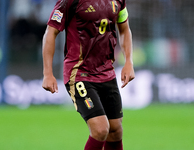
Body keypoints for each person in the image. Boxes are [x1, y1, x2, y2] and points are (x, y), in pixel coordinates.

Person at [42, 0, 135, 149]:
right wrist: (48, 73)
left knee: (115, 130)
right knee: (100, 129)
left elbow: (124, 29)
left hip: (106, 72)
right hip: (79, 73)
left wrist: (129, 62)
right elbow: (50, 32)